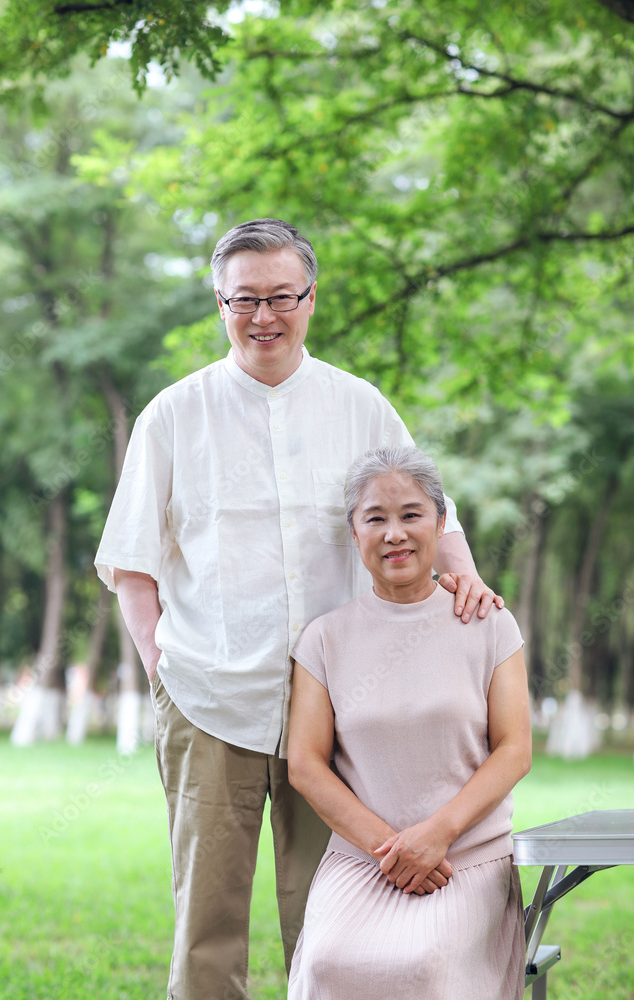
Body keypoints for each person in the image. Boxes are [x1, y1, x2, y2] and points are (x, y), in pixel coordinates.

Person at [94, 219, 504, 1000]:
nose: (263, 317)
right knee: (207, 923)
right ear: (219, 304)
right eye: (244, 300)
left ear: (311, 298)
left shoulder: (359, 405)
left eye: (281, 296)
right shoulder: (174, 415)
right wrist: (163, 672)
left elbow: (430, 517)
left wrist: (469, 582)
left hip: (343, 707)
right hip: (209, 700)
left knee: (332, 918)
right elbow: (132, 565)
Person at [287, 445, 531, 1000]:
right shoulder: (324, 640)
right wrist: (393, 850)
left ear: (441, 523)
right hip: (364, 861)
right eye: (375, 518)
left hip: (465, 859)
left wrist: (437, 836)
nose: (394, 533)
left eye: (411, 515)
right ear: (355, 534)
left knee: (425, 967)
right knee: (328, 963)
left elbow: (514, 750)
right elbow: (305, 762)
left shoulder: (489, 623)